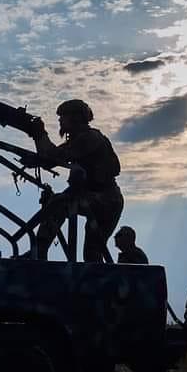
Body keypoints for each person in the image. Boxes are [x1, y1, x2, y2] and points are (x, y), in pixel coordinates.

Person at [28, 99, 123, 262]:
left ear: (75, 118)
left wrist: (39, 134)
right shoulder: (78, 140)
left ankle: (38, 251)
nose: (59, 121)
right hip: (99, 199)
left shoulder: (91, 138)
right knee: (92, 255)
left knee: (60, 205)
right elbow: (49, 158)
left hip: (106, 200)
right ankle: (38, 252)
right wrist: (37, 139)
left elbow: (53, 156)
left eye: (62, 116)